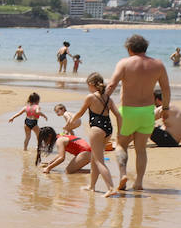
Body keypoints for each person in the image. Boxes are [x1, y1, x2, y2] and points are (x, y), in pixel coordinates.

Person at [103, 34, 171, 193]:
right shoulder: (158, 64)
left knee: (121, 145)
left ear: (129, 48)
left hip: (127, 111)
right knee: (141, 149)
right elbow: (166, 89)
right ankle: (139, 182)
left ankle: (123, 175)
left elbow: (112, 84)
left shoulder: (125, 63)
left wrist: (103, 103)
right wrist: (165, 109)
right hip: (147, 111)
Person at [62, 72, 120, 195]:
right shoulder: (108, 98)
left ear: (91, 84)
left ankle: (111, 188)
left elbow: (80, 113)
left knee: (99, 161)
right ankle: (92, 186)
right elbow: (119, 116)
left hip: (96, 129)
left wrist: (69, 123)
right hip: (108, 129)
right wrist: (120, 133)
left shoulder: (90, 97)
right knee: (95, 158)